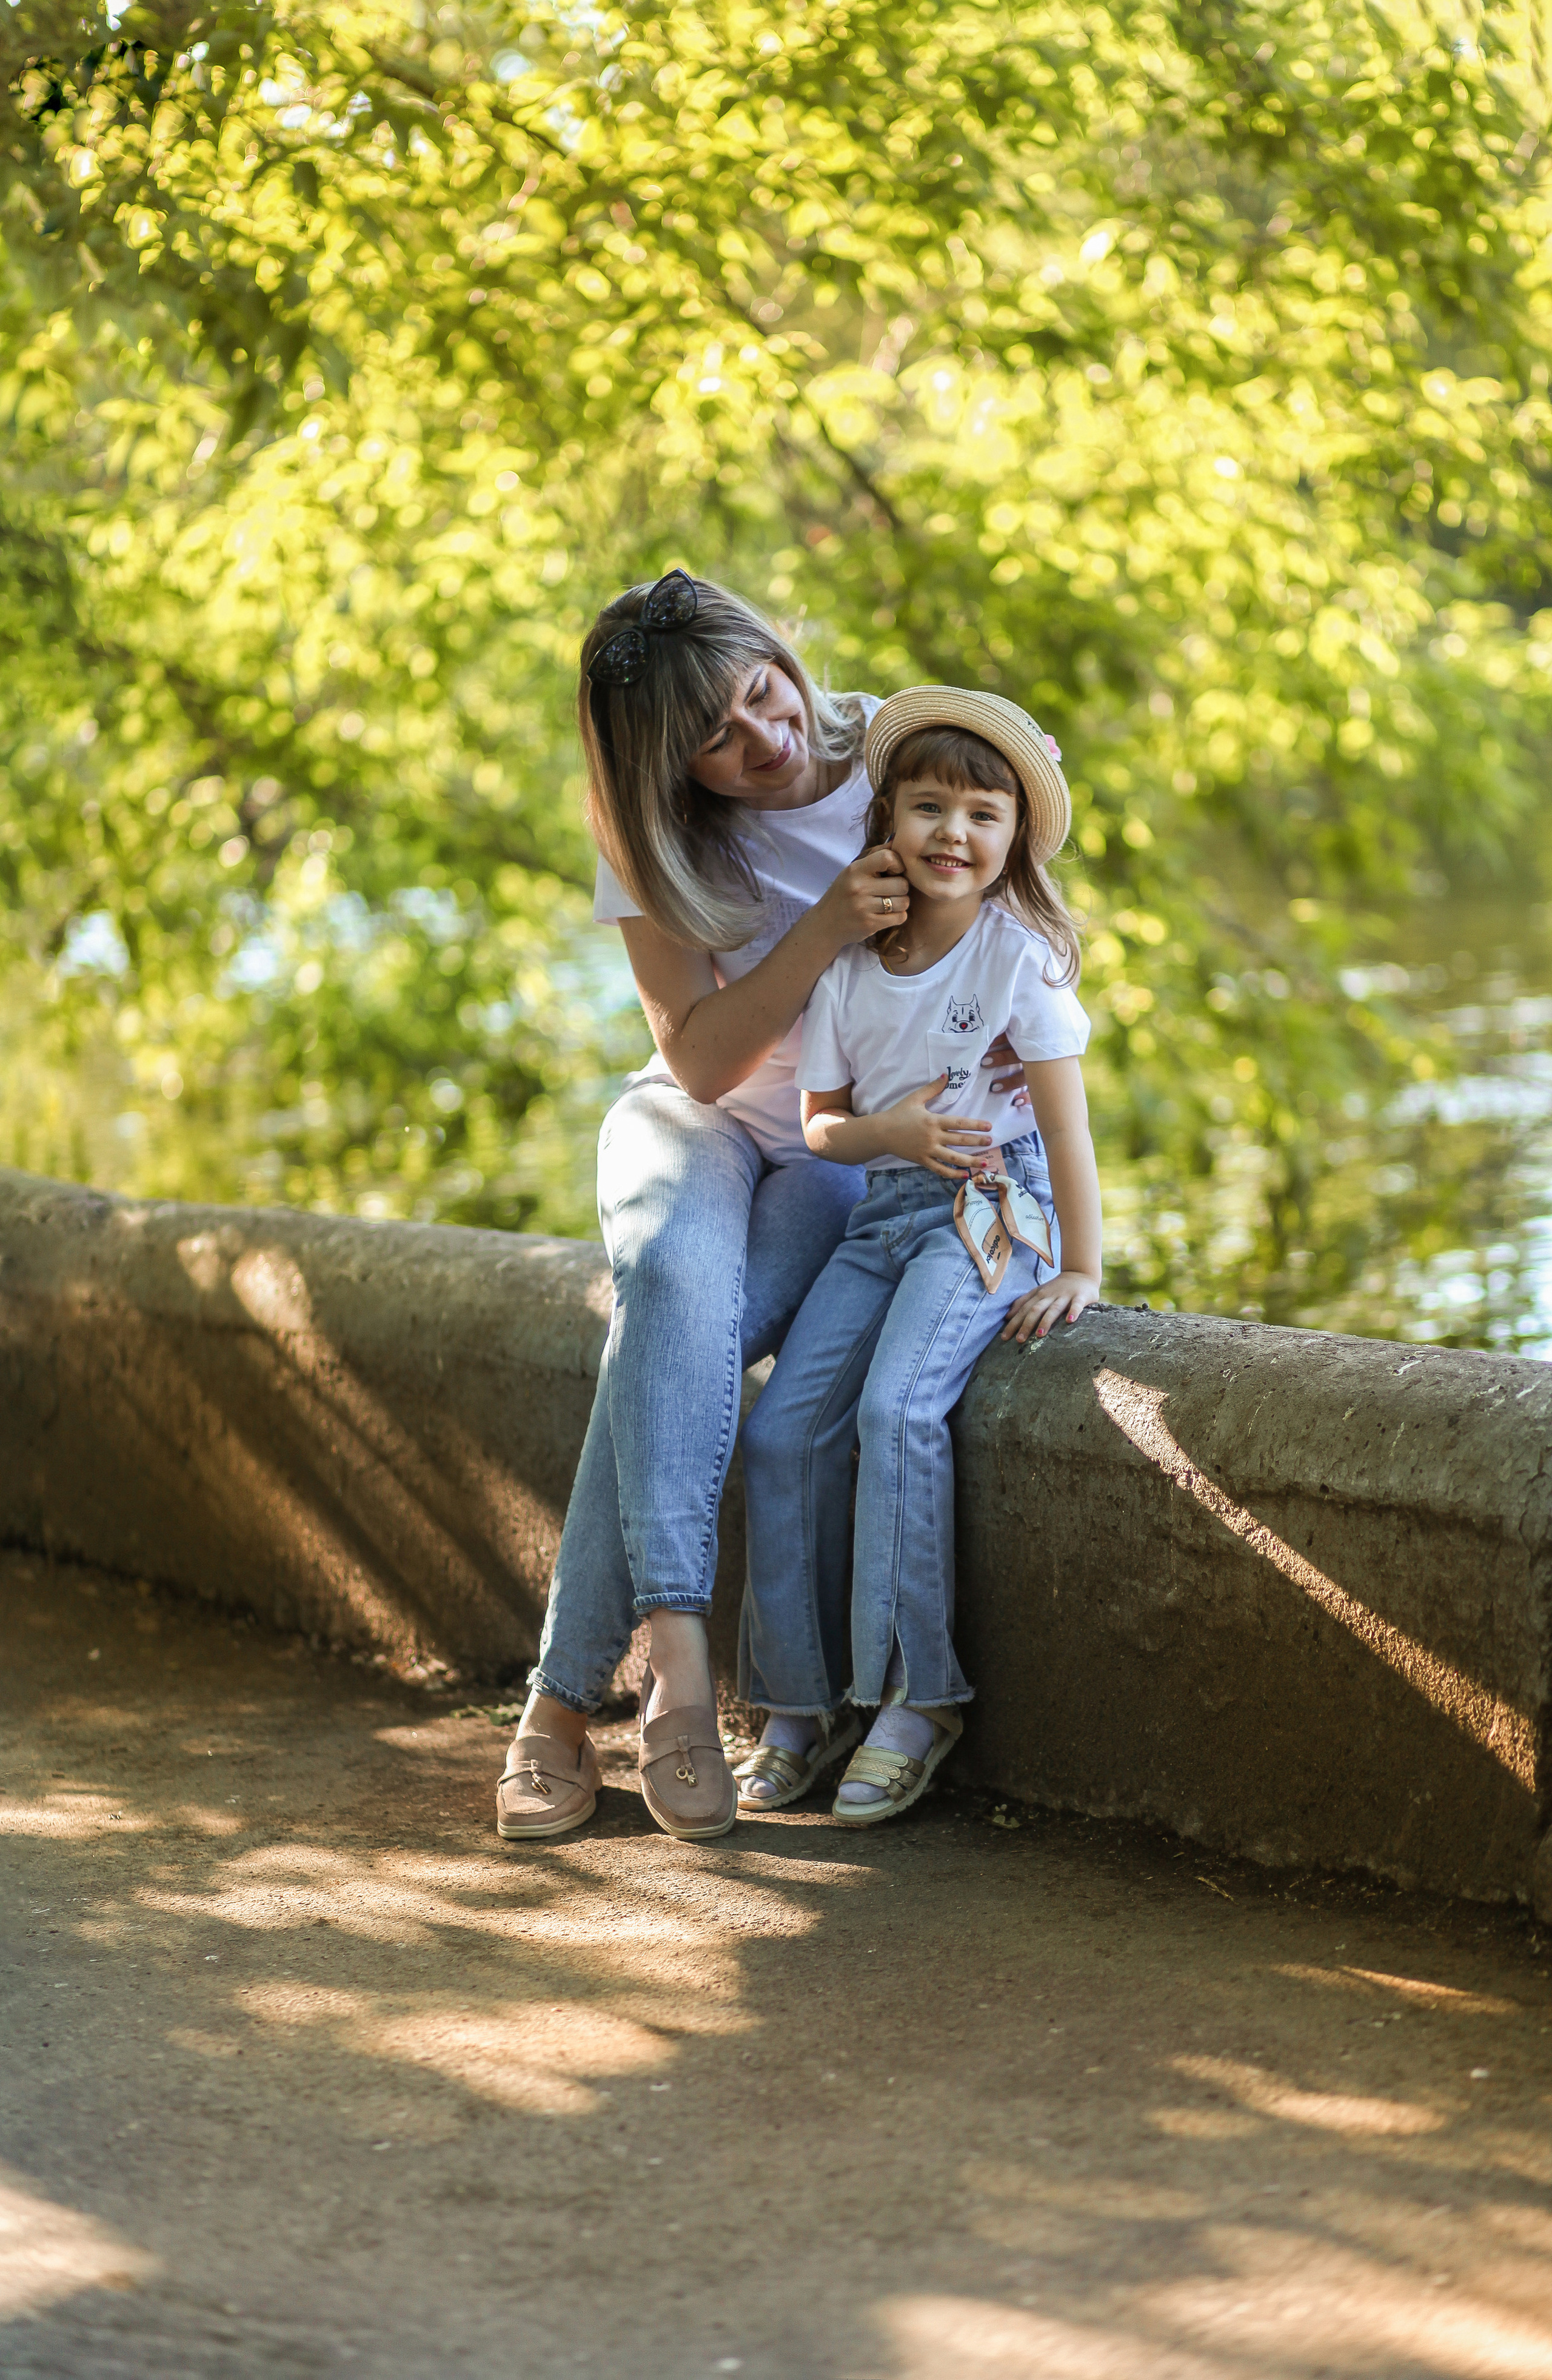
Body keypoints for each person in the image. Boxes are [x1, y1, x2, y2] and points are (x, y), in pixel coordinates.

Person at [493, 578, 1034, 1842]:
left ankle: (559, 1709)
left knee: (662, 1353)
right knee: (674, 1281)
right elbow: (697, 1061)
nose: (765, 737)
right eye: (719, 739)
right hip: (697, 1118)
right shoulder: (652, 838)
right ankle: (680, 1677)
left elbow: (1023, 947)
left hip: (842, 1153)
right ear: (664, 767)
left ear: (779, 653)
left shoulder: (902, 761)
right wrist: (826, 925)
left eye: (761, 690)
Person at [732, 686, 1103, 1822]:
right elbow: (821, 1128)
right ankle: (799, 1704)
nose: (955, 833)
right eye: (930, 807)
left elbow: (1066, 1126)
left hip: (993, 1207)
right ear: (887, 819)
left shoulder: (1015, 962)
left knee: (899, 1408)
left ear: (1013, 840)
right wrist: (888, 1135)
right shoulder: (849, 967)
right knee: (785, 1422)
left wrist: (1079, 1264)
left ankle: (917, 1695)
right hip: (882, 1210)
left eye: (984, 814)